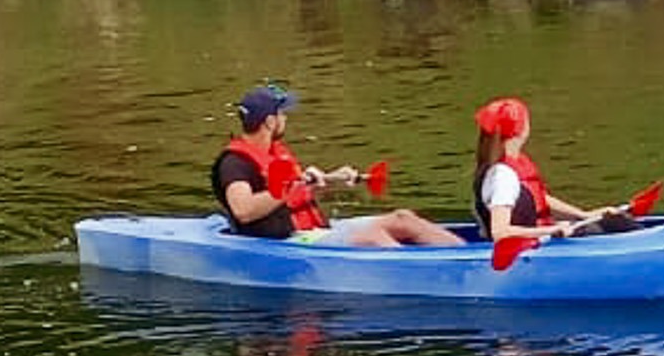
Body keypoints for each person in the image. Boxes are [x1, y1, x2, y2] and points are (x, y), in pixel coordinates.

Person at [213, 85, 461, 248]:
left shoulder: (274, 152)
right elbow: (243, 210)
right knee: (372, 236)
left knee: (403, 218)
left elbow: (295, 194)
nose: (285, 119)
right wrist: (291, 186)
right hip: (289, 242)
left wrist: (332, 180)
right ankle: (422, 273)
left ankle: (462, 256)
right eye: (282, 114)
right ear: (269, 121)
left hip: (313, 231)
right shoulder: (234, 164)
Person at [470, 95, 637, 243]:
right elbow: (500, 232)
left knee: (616, 221)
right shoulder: (502, 176)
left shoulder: (514, 165)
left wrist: (584, 215)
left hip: (543, 236)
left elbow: (537, 199)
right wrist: (551, 230)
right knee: (619, 227)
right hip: (534, 247)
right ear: (520, 130)